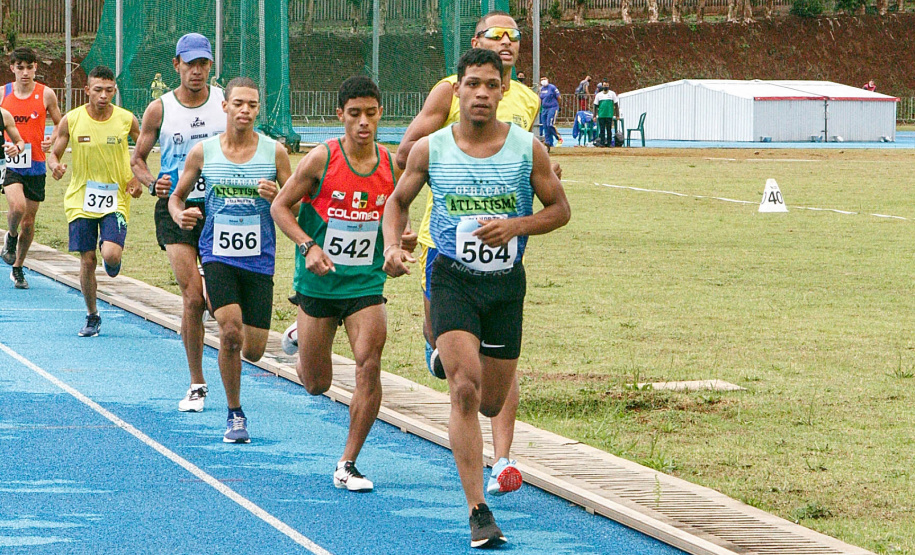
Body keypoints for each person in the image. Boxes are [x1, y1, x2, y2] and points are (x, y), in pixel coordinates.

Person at [383, 48, 570, 549]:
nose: (482, 93)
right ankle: (477, 510)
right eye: (473, 84)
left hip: (506, 283)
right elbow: (397, 202)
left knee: (489, 400)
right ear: (457, 90)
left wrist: (518, 224)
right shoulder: (431, 148)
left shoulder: (527, 149)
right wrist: (391, 245)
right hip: (452, 277)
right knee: (464, 390)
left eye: (492, 84)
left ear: (503, 90)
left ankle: (449, 359)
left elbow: (560, 209)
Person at [395, 10, 545, 502]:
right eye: (495, 34)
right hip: (446, 244)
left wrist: (527, 182)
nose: (506, 41)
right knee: (462, 377)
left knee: (491, 388)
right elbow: (406, 154)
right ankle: (480, 496)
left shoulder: (528, 100)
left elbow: (541, 178)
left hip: (504, 253)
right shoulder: (448, 90)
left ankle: (502, 452)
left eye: (514, 35)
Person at [272, 75, 413, 491]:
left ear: (380, 113)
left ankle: (348, 462)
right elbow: (281, 207)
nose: (363, 123)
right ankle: (301, 333)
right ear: (340, 116)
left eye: (371, 113)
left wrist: (397, 245)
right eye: (354, 114)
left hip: (365, 284)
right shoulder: (322, 159)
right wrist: (307, 245)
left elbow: (398, 214)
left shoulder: (392, 166)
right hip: (319, 282)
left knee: (369, 363)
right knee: (317, 384)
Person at [169, 76, 291, 443]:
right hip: (217, 255)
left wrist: (279, 196)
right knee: (231, 332)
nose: (246, 111)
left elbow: (297, 202)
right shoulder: (204, 152)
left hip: (259, 259)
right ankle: (235, 414)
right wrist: (179, 214)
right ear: (225, 106)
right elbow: (177, 197)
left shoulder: (275, 153)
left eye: (252, 105)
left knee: (252, 348)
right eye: (239, 103)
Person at [131, 33, 227, 413]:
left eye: (203, 64)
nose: (197, 71)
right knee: (192, 298)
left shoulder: (224, 103)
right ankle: (197, 382)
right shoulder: (160, 109)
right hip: (175, 208)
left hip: (221, 208)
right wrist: (152, 182)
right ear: (177, 66)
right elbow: (137, 159)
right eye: (190, 64)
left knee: (220, 304)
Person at [47, 66, 142, 337]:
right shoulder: (72, 119)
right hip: (81, 198)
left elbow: (143, 150)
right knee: (87, 260)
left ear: (115, 91)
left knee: (110, 256)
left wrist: (137, 179)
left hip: (116, 197)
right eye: (97, 90)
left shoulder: (126, 119)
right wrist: (55, 166)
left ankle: (113, 262)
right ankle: (92, 315)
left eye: (109, 90)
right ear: (87, 90)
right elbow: (55, 153)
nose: (103, 96)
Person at [0, 47, 63, 289]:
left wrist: (52, 139)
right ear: (12, 68)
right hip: (12, 162)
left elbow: (60, 124)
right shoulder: (3, 94)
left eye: (29, 67)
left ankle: (18, 267)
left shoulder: (46, 94)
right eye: (20, 67)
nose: (25, 72)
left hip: (35, 162)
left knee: (29, 221)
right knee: (17, 207)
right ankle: (11, 235)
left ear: (36, 67)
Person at [538, 76, 561, 150]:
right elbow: (540, 98)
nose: (543, 81)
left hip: (552, 107)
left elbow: (559, 97)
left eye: (544, 79)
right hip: (544, 109)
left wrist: (558, 106)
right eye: (541, 79)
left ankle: (559, 138)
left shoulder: (552, 87)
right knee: (545, 126)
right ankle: (548, 143)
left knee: (550, 124)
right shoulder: (541, 89)